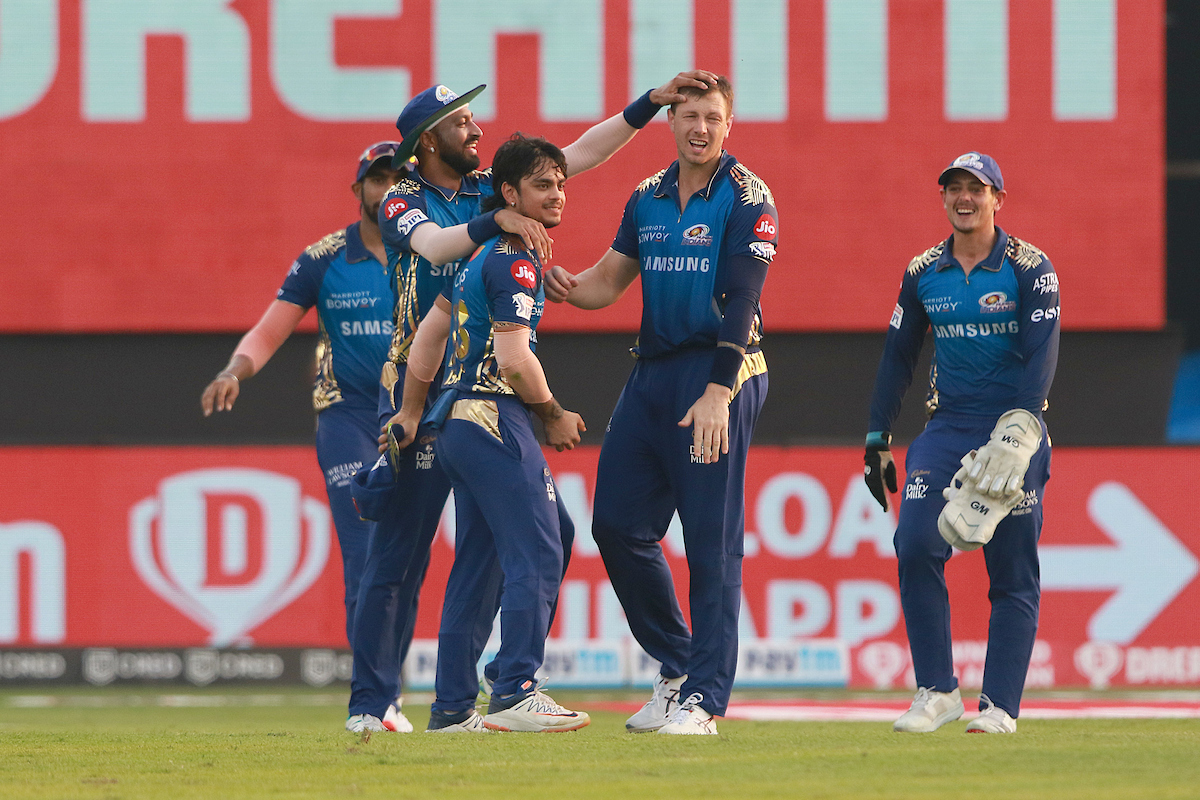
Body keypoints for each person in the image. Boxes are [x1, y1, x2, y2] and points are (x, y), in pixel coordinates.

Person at [346, 72, 720, 732]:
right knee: (401, 555)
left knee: (489, 551)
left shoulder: (492, 186)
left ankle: (457, 706)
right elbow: (435, 246)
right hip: (424, 386)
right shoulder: (402, 198)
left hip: (458, 382)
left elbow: (577, 155)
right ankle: (379, 706)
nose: (476, 128)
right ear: (428, 139)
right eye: (461, 121)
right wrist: (502, 221)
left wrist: (648, 105)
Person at [545, 75, 776, 735]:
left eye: (713, 117)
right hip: (651, 376)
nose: (700, 129)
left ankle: (704, 701)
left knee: (711, 544)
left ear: (729, 125)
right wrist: (568, 287)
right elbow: (607, 284)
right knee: (616, 527)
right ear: (668, 121)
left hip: (719, 373)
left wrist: (716, 391)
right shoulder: (646, 196)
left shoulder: (748, 197)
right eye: (689, 116)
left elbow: (744, 301)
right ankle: (679, 666)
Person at [200, 142, 414, 733]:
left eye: (399, 178)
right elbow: (270, 331)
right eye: (377, 180)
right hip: (346, 418)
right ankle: (377, 698)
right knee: (366, 557)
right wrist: (232, 371)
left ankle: (389, 686)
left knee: (406, 560)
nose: (388, 188)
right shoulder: (324, 259)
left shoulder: (428, 250)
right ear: (359, 191)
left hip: (414, 416)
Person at [391, 134, 589, 732]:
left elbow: (428, 336)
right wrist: (552, 411)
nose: (557, 193)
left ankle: (452, 708)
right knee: (543, 544)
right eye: (541, 184)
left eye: (560, 182)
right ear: (509, 193)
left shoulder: (478, 258)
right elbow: (513, 359)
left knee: (480, 566)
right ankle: (516, 689)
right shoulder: (516, 260)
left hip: (455, 423)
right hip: (495, 416)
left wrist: (409, 410)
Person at [862, 152, 1060, 734]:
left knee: (1012, 569)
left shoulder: (1029, 265)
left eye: (977, 188)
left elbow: (1044, 351)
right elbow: (898, 356)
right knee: (916, 543)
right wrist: (878, 435)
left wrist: (1021, 430)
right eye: (954, 188)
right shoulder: (924, 270)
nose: (964, 198)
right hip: (947, 429)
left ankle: (998, 707)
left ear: (999, 197)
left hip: (1014, 434)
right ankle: (937, 690)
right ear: (944, 198)